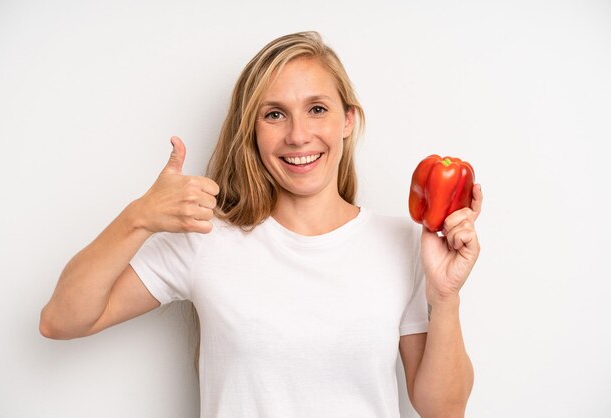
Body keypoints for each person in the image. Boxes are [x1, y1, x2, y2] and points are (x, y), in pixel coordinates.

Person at [40, 31, 482, 418]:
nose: (297, 135)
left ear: (347, 120)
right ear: (252, 130)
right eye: (274, 114)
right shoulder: (205, 238)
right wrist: (138, 217)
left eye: (317, 109)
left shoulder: (401, 243)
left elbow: (444, 410)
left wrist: (444, 297)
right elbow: (61, 320)